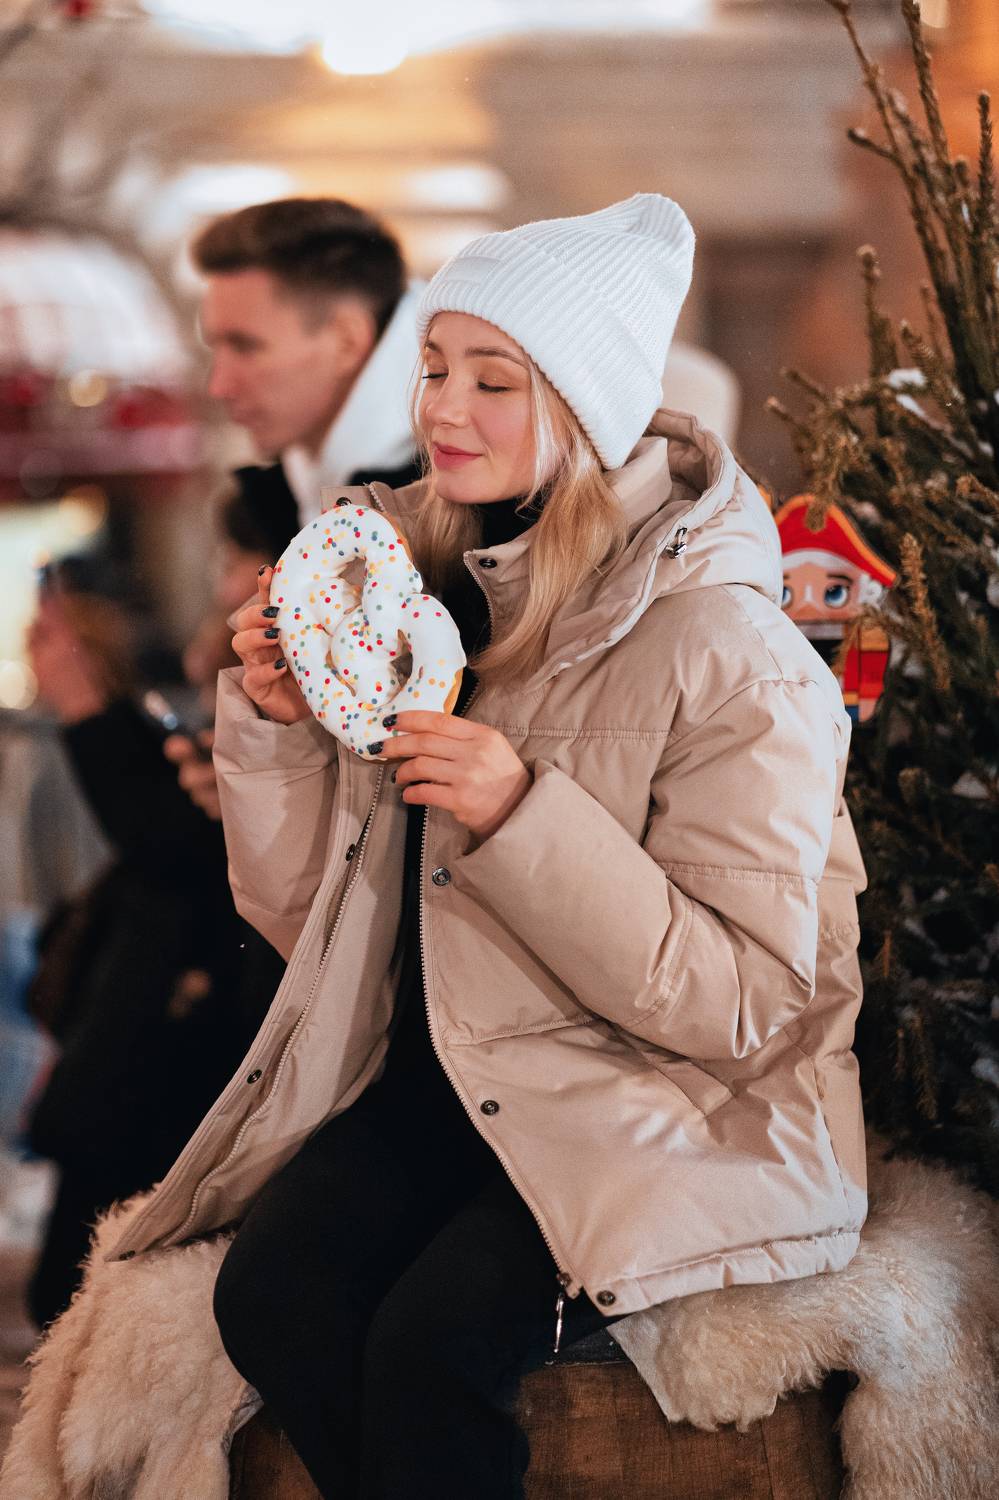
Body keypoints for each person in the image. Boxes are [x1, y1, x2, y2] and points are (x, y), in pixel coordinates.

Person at [107, 195, 868, 1498]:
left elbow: (743, 1002)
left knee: (430, 1353)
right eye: (434, 369)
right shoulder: (414, 600)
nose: (444, 410)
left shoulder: (727, 649)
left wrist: (520, 814)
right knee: (275, 1296)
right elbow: (305, 924)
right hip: (445, 1088)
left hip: (662, 1109)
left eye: (493, 380)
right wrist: (280, 729)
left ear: (583, 405)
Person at [21, 486, 289, 1327]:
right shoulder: (223, 656)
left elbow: (182, 849)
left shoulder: (290, 660)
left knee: (104, 1288)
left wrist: (87, 710)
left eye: (238, 560)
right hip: (153, 992)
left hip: (185, 1003)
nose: (226, 583)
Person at [171, 197, 424, 822]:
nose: (220, 384)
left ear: (346, 339)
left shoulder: (441, 509)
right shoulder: (291, 494)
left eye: (245, 346)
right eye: (215, 348)